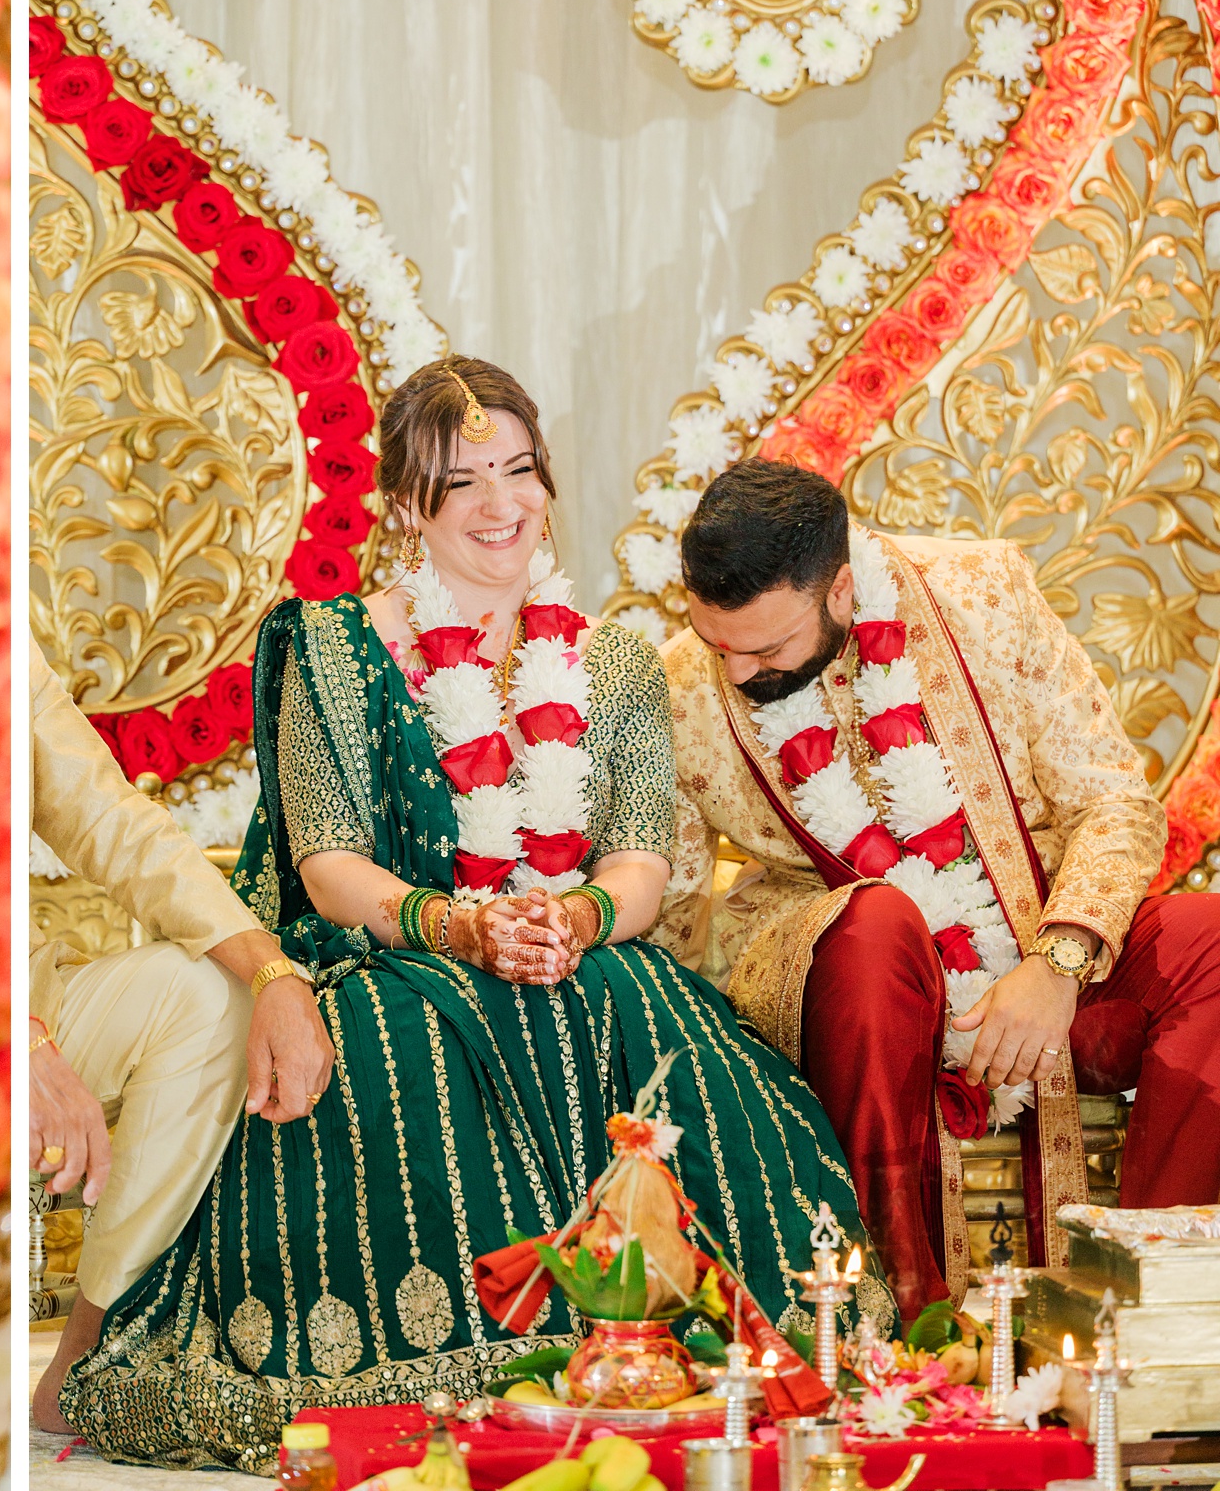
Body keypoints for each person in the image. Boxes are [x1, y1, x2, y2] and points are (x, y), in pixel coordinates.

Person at [60, 359, 867, 1472]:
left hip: (576, 951)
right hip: (384, 953)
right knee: (410, 1031)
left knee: (634, 1005)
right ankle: (461, 1371)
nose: (502, 505)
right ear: (405, 508)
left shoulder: (615, 659)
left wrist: (577, 919)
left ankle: (677, 1355)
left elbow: (639, 858)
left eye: (519, 470)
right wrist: (460, 928)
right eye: (461, 484)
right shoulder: (333, 648)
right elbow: (327, 859)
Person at [659, 459, 1220, 1319]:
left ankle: (1147, 1302)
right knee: (880, 920)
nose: (734, 673)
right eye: (716, 644)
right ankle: (899, 1312)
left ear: (842, 590)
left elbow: (1113, 797)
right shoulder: (680, 690)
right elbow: (674, 912)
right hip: (856, 988)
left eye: (767, 648)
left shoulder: (982, 592)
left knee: (1208, 941)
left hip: (1043, 940)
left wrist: (1056, 965)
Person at [25, 638, 337, 1435]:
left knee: (209, 992)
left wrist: (274, 972)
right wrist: (12, 1040)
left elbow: (116, 825)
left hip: (16, 992)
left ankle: (84, 1359)